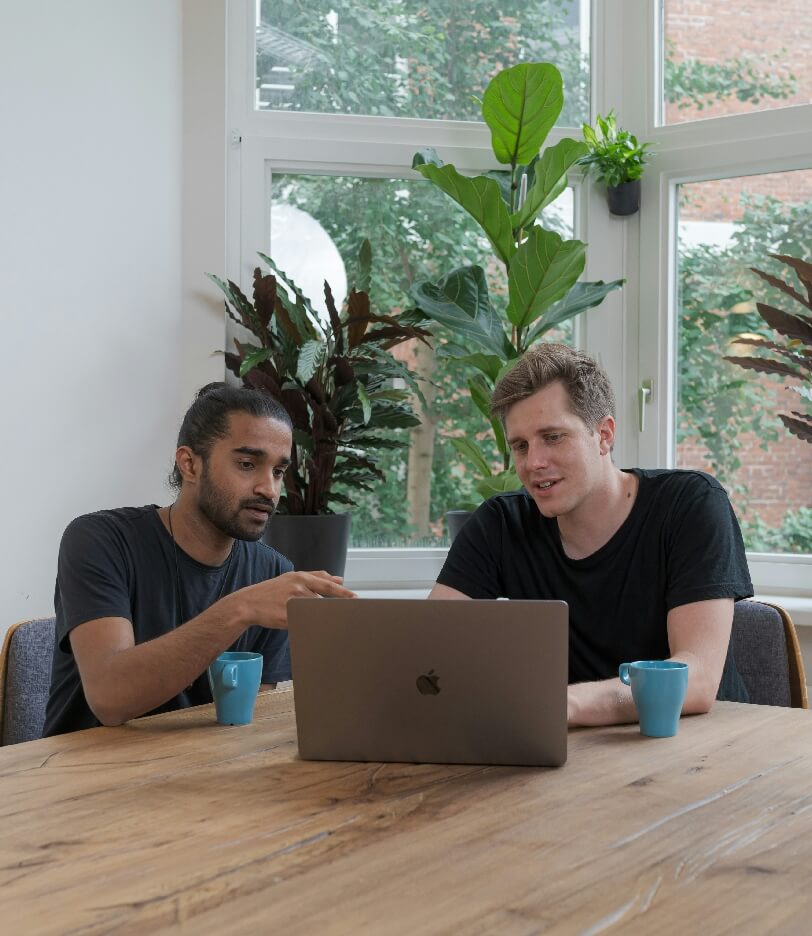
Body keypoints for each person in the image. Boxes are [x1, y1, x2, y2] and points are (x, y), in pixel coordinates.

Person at [430, 344, 753, 727]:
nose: (534, 462)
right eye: (520, 445)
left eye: (552, 437)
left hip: (701, 750)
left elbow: (696, 679)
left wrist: (567, 704)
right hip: (574, 755)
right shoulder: (500, 525)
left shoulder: (691, 504)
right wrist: (341, 617)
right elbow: (427, 650)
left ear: (603, 435)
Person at [44, 383, 355, 736]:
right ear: (190, 465)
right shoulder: (101, 540)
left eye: (278, 472)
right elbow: (109, 697)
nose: (268, 489)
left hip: (198, 777)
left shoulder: (272, 572)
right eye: (247, 464)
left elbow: (246, 726)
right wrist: (240, 609)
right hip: (81, 779)